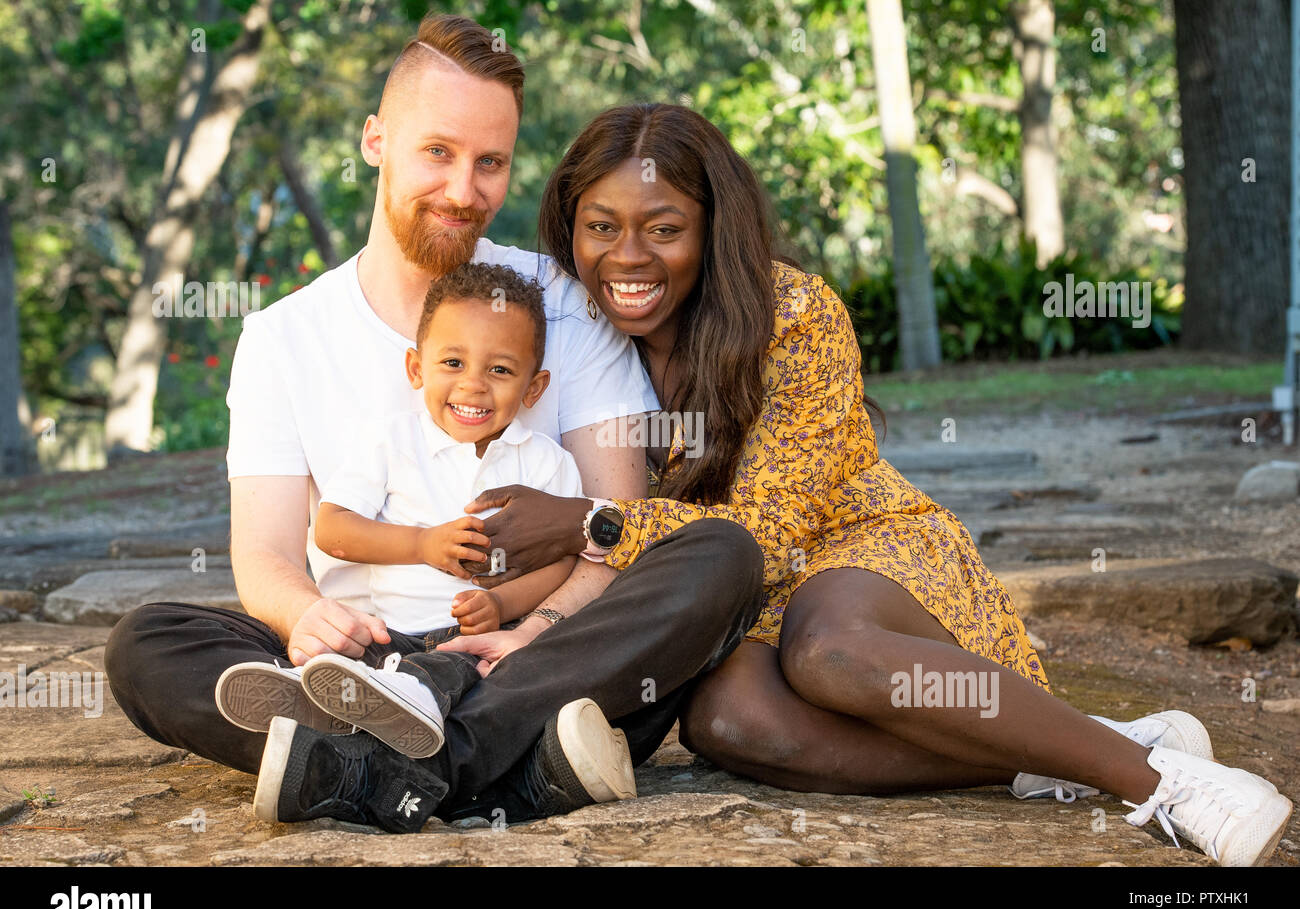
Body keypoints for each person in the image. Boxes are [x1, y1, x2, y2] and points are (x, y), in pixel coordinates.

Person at [447, 102, 1293, 866]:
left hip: (858, 554)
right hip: (729, 607)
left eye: (662, 228)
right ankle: (1059, 745)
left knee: (830, 652)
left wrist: (586, 524)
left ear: (712, 228)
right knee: (725, 724)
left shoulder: (793, 315)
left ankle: (1157, 781)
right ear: (569, 225)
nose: (627, 257)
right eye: (601, 226)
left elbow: (767, 536)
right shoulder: (568, 335)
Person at [105, 16, 766, 835]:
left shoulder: (565, 303)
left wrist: (532, 632)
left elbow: (613, 537)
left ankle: (381, 773)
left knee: (721, 557)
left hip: (533, 659)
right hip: (359, 663)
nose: (464, 189)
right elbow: (267, 554)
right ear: (376, 139)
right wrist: (305, 617)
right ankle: (518, 775)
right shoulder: (284, 338)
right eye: (438, 153)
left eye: (490, 163)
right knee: (148, 644)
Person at [215, 262, 585, 762]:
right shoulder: (391, 443)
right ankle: (324, 694)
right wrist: (422, 544)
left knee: (458, 670)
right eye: (452, 363)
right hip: (388, 633)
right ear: (416, 369)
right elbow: (332, 530)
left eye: (499, 370)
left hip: (478, 645)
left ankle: (373, 713)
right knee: (344, 656)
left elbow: (564, 564)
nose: (473, 386)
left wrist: (501, 606)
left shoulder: (545, 463)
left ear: (533, 388)